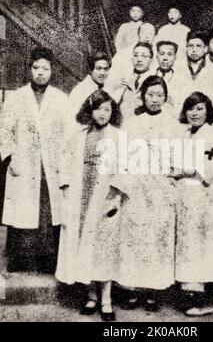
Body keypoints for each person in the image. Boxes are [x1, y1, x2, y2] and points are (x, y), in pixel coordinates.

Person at [56, 90, 125, 321]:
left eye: (107, 109)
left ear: (112, 112)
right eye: (98, 108)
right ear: (89, 110)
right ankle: (91, 296)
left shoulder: (118, 136)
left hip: (105, 200)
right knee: (83, 249)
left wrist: (113, 195)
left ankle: (106, 300)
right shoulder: (78, 136)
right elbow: (65, 165)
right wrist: (66, 193)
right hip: (81, 197)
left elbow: (125, 170)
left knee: (103, 250)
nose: (102, 113)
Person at [0, 47, 68, 273]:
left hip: (50, 163)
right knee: (23, 208)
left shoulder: (60, 99)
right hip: (24, 161)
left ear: (52, 71)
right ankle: (20, 259)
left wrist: (63, 162)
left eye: (45, 68)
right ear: (30, 69)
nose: (40, 72)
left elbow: (68, 134)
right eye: (36, 68)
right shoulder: (16, 97)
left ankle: (48, 260)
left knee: (48, 210)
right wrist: (11, 157)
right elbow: (3, 131)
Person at [115, 76, 178, 311]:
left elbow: (177, 158)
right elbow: (122, 155)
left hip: (160, 187)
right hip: (136, 185)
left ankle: (154, 292)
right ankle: (131, 290)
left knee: (157, 239)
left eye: (159, 95)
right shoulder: (131, 123)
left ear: (165, 98)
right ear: (142, 96)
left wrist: (169, 181)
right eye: (150, 94)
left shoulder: (172, 124)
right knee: (134, 237)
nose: (154, 99)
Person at [173, 92, 213, 316]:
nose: (194, 113)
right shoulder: (185, 134)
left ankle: (206, 300)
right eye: (190, 109)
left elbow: (207, 171)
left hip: (207, 202)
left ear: (208, 112)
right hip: (188, 199)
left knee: (204, 248)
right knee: (190, 246)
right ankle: (190, 294)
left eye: (199, 109)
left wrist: (181, 172)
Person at [175, 30, 213, 120]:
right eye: (191, 46)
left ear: (205, 49)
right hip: (179, 118)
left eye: (198, 46)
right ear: (186, 48)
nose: (194, 49)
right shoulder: (176, 67)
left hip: (204, 120)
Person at [67, 51, 112, 136]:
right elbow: (73, 123)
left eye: (105, 69)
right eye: (98, 68)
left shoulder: (102, 89)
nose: (102, 73)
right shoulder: (81, 91)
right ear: (91, 70)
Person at [109, 42, 154, 119]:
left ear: (151, 60)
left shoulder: (155, 82)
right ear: (132, 59)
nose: (139, 59)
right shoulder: (123, 79)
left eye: (144, 56)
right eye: (136, 55)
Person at [155, 40, 187, 117]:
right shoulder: (147, 77)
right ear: (157, 57)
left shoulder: (183, 81)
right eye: (162, 54)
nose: (165, 58)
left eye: (169, 54)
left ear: (175, 58)